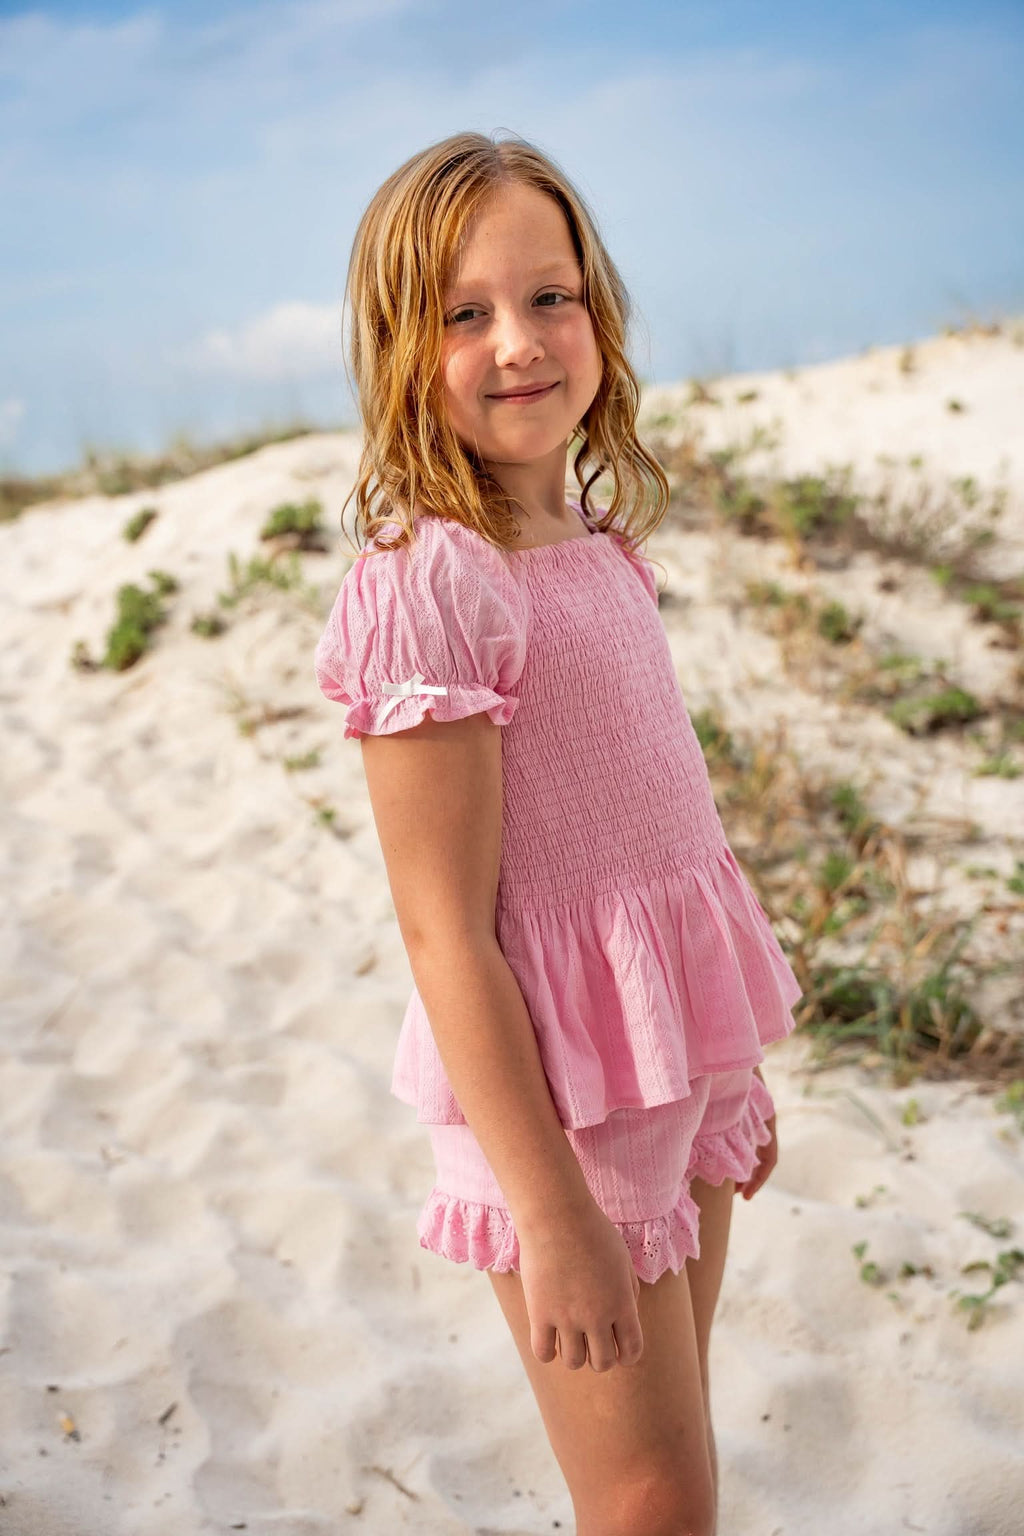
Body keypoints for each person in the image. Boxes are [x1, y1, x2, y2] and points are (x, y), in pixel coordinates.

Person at [314, 130, 803, 1536]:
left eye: (551, 297)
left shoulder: (593, 544)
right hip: (561, 1121)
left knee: (679, 1466)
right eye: (463, 313)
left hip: (672, 1068)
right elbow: (444, 934)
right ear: (400, 347)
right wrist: (554, 1214)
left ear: (600, 311)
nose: (519, 342)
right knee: (647, 1500)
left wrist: (726, 1075)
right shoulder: (434, 581)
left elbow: (659, 836)